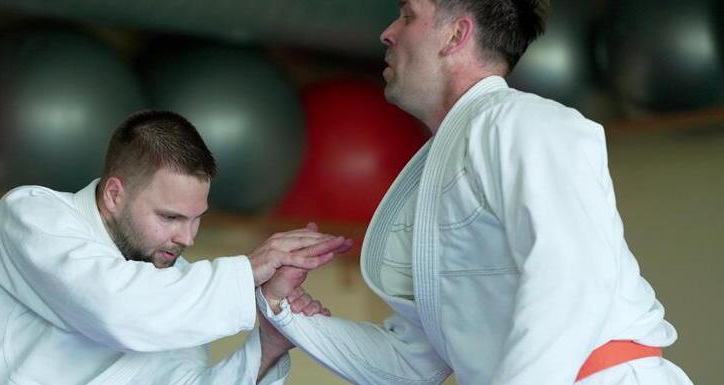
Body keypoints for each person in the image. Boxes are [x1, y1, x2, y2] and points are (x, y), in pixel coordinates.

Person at [258, 0, 694, 384]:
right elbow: (413, 365)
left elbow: (571, 279)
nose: (387, 32)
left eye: (407, 14)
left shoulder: (528, 123)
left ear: (456, 34)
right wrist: (283, 310)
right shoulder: (435, 172)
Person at [0, 110, 351, 385]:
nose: (187, 239)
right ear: (115, 195)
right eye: (170, 217)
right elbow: (112, 306)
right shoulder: (31, 215)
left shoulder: (174, 292)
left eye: (197, 219)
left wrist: (269, 344)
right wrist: (248, 272)